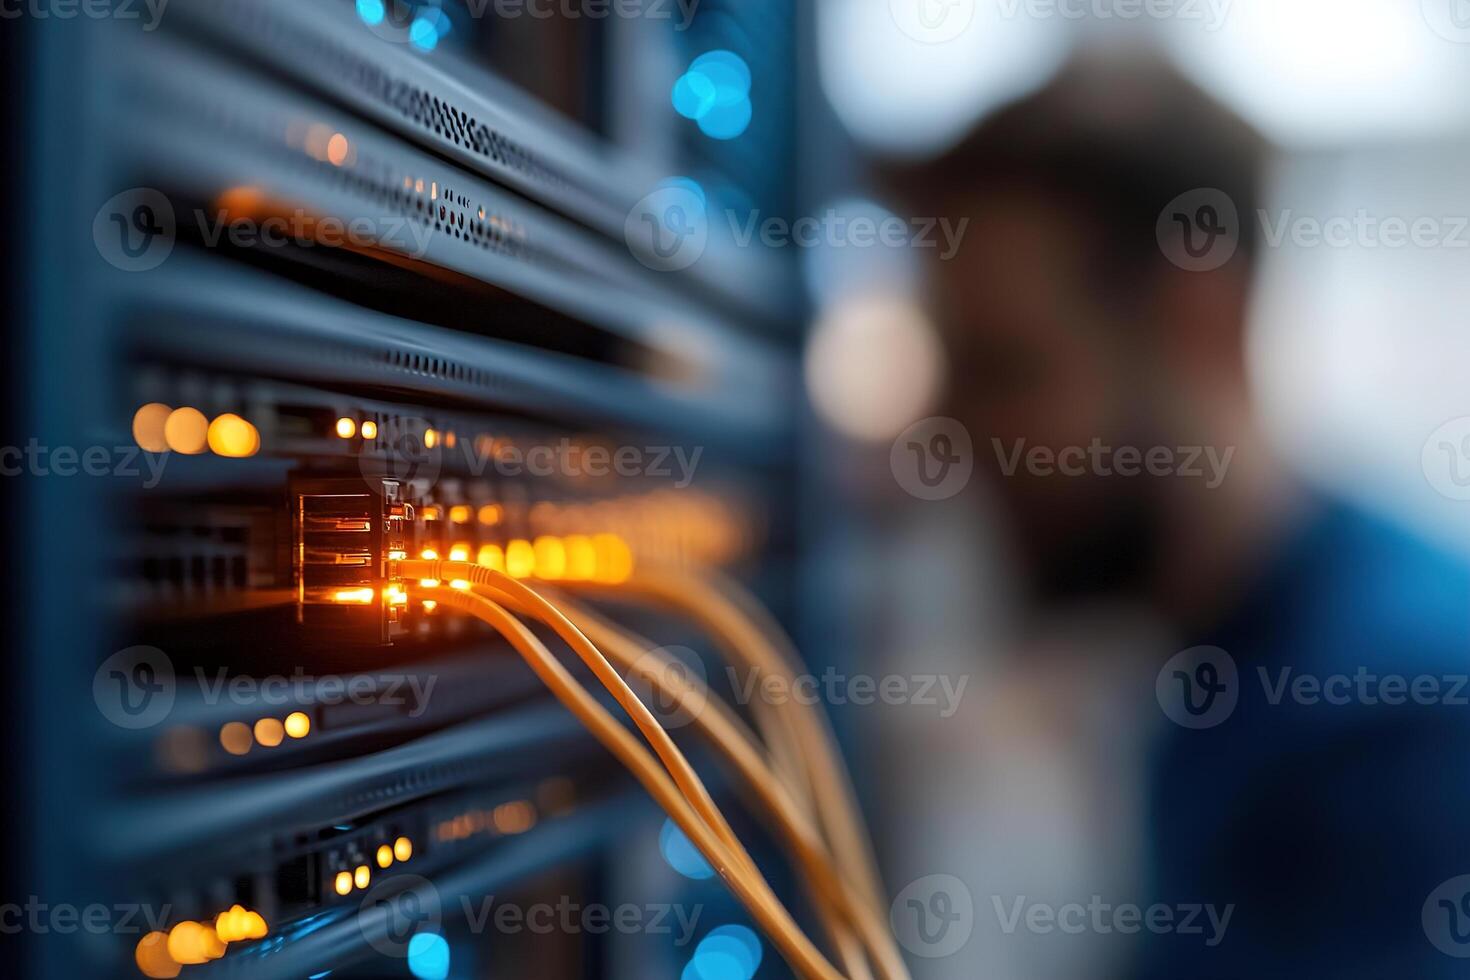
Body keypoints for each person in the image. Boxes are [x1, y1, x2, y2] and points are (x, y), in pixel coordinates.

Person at [884, 49, 1470, 978]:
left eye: (1005, 368)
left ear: (1200, 320)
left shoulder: (1408, 716)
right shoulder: (1218, 658)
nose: (946, 438)